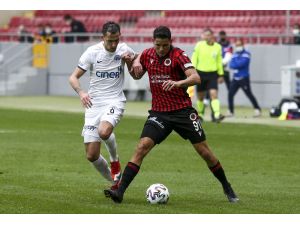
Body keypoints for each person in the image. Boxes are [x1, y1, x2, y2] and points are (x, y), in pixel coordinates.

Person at [104, 26, 239, 204]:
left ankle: (226, 186)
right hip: (159, 113)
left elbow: (196, 78)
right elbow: (136, 76)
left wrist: (178, 83)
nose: (161, 49)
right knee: (141, 147)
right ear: (153, 42)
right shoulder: (147, 55)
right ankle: (120, 192)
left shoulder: (178, 56)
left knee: (204, 152)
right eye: (158, 45)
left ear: (170, 42)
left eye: (165, 45)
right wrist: (132, 62)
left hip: (182, 112)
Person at [69, 21, 137, 190]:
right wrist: (82, 92)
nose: (113, 44)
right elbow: (73, 77)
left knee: (104, 131)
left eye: (116, 40)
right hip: (94, 104)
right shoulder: (92, 52)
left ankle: (115, 160)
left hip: (115, 100)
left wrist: (131, 62)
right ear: (102, 38)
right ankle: (115, 182)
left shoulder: (124, 49)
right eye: (110, 41)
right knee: (92, 155)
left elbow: (136, 73)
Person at [192, 28, 225, 122]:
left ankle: (217, 114)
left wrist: (221, 74)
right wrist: (193, 71)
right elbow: (194, 58)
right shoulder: (199, 45)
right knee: (200, 96)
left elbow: (219, 61)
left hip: (213, 74)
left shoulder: (218, 47)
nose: (206, 36)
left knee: (214, 94)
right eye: (204, 35)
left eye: (208, 35)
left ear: (212, 36)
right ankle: (201, 114)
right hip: (200, 73)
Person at [228, 38, 261, 117]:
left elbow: (242, 64)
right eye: (237, 45)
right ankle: (231, 111)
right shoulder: (235, 54)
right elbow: (231, 65)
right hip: (235, 78)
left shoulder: (247, 54)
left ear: (243, 45)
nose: (238, 46)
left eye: (239, 45)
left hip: (244, 78)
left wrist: (236, 64)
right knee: (230, 94)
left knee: (249, 94)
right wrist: (236, 64)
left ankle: (257, 109)